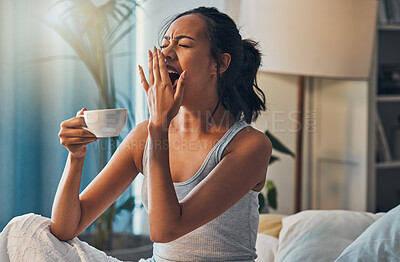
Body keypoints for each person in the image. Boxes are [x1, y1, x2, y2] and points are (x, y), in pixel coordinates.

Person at [0, 6, 271, 262]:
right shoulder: (146, 135)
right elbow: (65, 229)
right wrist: (76, 157)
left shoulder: (249, 146)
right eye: (165, 44)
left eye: (184, 44)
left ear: (220, 63)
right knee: (23, 230)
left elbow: (165, 230)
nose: (166, 53)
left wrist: (159, 127)